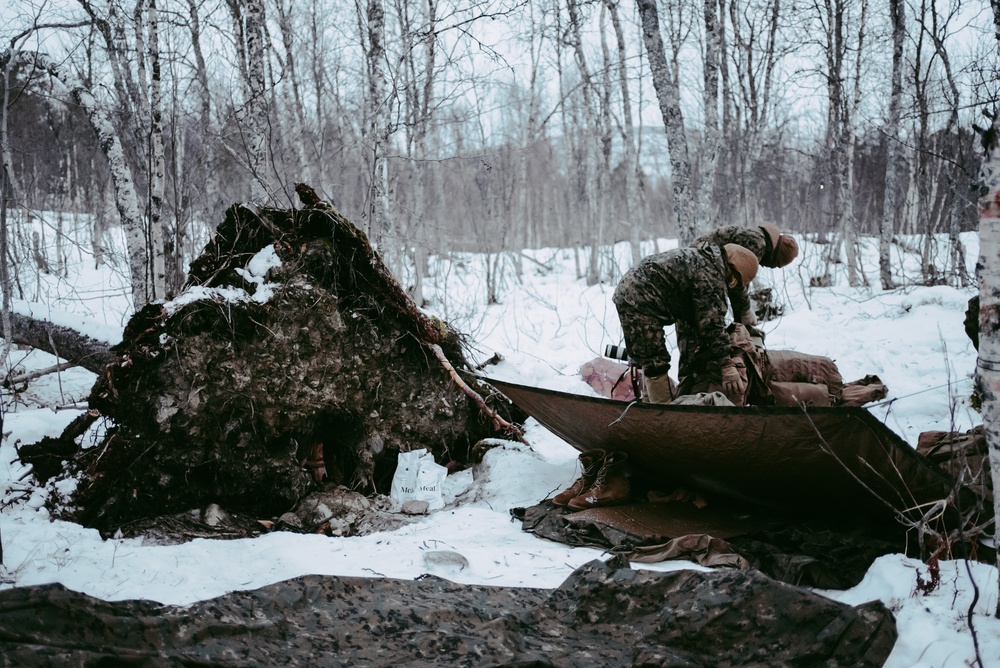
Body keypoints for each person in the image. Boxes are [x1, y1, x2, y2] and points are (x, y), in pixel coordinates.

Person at [612, 243, 759, 404]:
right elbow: (712, 325)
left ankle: (650, 408)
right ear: (733, 271)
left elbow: (698, 317)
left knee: (651, 360)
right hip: (639, 298)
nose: (731, 286)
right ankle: (663, 415)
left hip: (632, 290)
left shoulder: (704, 260)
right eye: (733, 282)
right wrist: (726, 365)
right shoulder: (711, 276)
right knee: (655, 361)